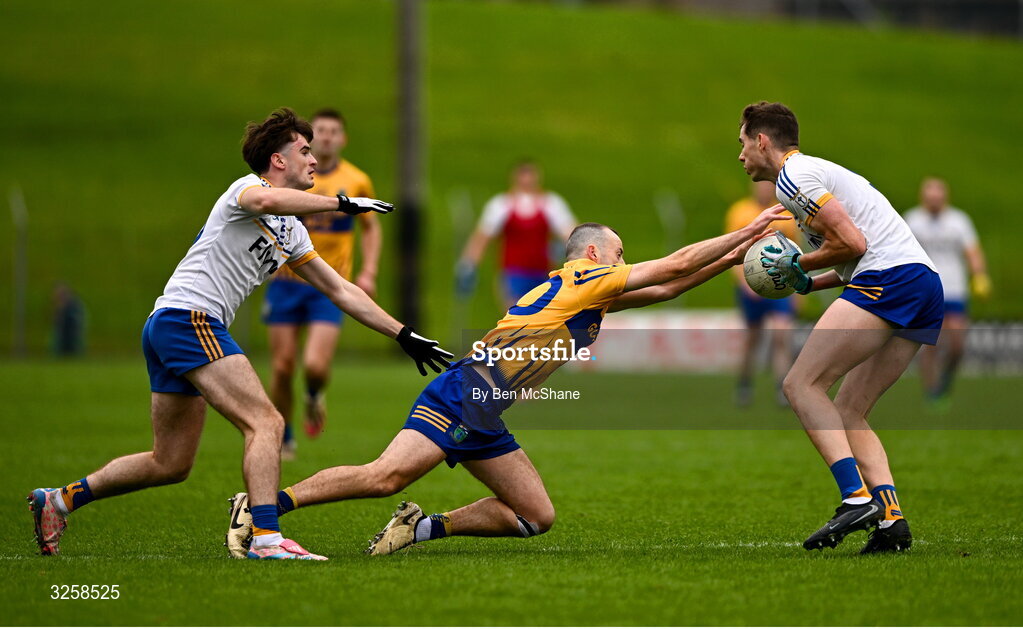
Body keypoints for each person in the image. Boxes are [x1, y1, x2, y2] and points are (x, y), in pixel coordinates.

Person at [223, 208, 789, 559]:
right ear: (595, 254)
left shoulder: (585, 289)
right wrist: (752, 229)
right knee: (384, 476)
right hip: (466, 391)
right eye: (620, 253)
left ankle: (423, 529)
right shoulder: (587, 276)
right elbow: (672, 265)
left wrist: (736, 256)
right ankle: (261, 505)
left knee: (535, 517)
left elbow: (668, 289)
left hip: (486, 409)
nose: (625, 262)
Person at [27, 108, 451, 561]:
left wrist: (403, 334)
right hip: (189, 320)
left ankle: (58, 500)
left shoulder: (292, 229)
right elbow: (265, 204)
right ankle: (267, 540)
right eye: (304, 151)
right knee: (266, 422)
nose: (314, 160)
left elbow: (341, 291)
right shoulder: (248, 190)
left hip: (173, 325)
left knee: (169, 463)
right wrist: (340, 203)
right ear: (278, 160)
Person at [737, 101, 942, 554]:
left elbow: (852, 242)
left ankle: (855, 499)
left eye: (743, 143)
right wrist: (807, 280)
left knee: (801, 384)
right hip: (922, 283)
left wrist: (794, 263)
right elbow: (852, 253)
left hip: (891, 278)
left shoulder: (794, 178)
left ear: (763, 141)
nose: (741, 155)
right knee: (850, 409)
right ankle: (891, 523)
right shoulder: (808, 176)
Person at [263, 108, 382, 458]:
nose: (328, 137)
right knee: (283, 366)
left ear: (343, 138)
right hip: (285, 282)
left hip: (328, 284)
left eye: (334, 131)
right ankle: (284, 435)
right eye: (321, 131)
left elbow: (371, 227)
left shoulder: (357, 180)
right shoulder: (289, 178)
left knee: (314, 365)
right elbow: (268, 213)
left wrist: (369, 271)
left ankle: (314, 394)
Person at [904, 177, 991, 404]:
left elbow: (972, 251)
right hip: (926, 290)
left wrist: (979, 275)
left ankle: (945, 380)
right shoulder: (913, 220)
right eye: (930, 196)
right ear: (923, 198)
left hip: (954, 290)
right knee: (929, 343)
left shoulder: (959, 221)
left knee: (957, 345)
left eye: (938, 196)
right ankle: (931, 391)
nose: (934, 200)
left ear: (944, 197)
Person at [456, 161, 577, 308]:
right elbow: (482, 238)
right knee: (515, 316)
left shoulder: (552, 204)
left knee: (542, 320)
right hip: (513, 274)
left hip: (543, 273)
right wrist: (468, 264)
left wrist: (570, 251)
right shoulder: (501, 205)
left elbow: (572, 234)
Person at [725, 180, 800, 407]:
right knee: (752, 339)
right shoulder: (739, 211)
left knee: (781, 335)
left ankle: (781, 388)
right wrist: (746, 283)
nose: (764, 190)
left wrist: (796, 288)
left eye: (769, 186)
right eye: (761, 186)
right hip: (750, 286)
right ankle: (745, 383)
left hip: (781, 285)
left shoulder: (785, 213)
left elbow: (795, 252)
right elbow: (731, 250)